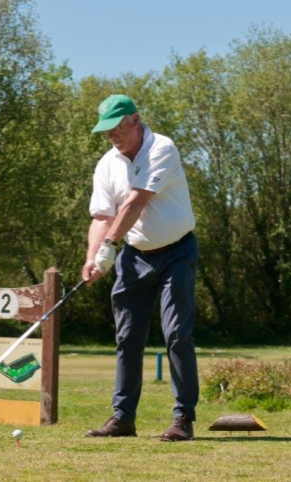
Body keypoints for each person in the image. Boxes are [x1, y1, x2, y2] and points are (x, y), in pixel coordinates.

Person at [81, 94, 199, 442]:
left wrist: (108, 246)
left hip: (177, 252)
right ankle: (123, 418)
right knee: (127, 336)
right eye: (106, 131)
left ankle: (183, 418)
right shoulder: (106, 164)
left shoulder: (162, 148)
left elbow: (136, 201)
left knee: (177, 334)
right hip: (135, 256)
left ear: (134, 119)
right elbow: (102, 216)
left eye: (117, 128)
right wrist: (92, 258)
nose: (112, 136)